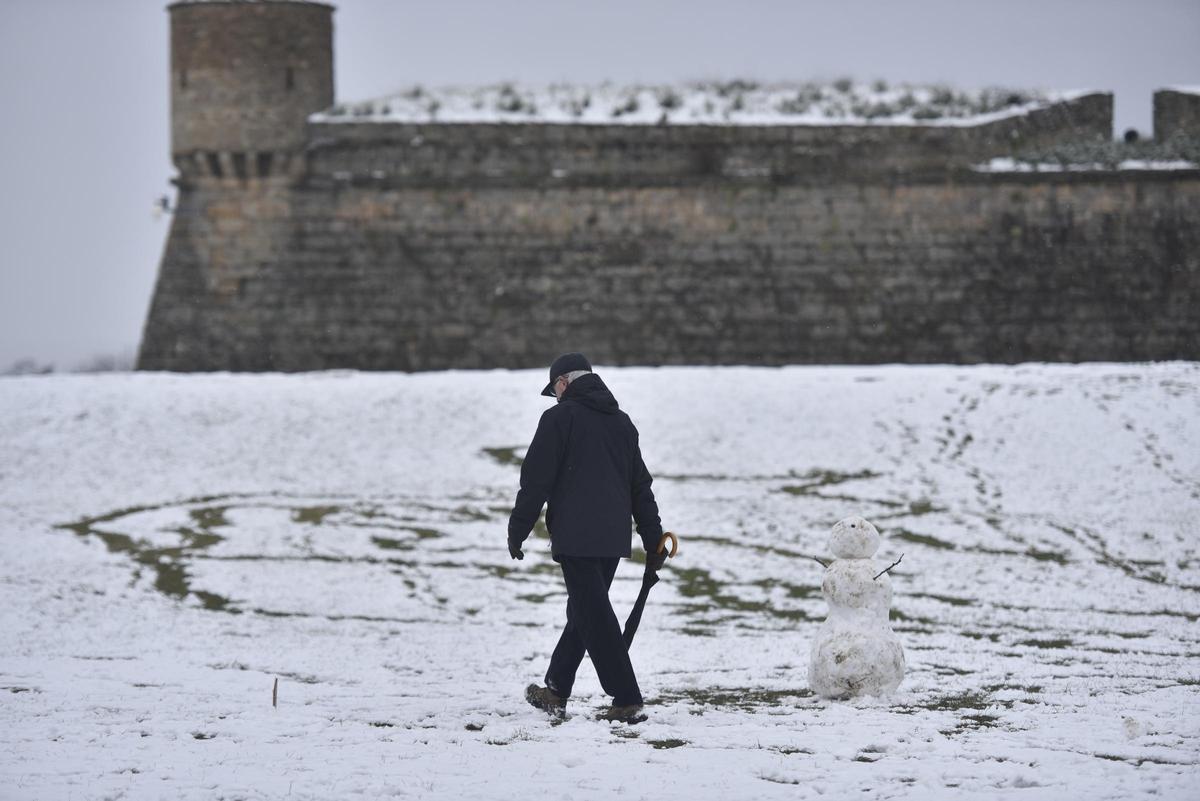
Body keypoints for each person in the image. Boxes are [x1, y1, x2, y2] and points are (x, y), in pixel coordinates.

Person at [507, 352, 666, 723]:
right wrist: (652, 536)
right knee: (583, 613)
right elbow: (640, 487)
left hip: (576, 538)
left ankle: (626, 697)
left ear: (563, 382)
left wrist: (518, 529)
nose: (556, 397)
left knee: (594, 616)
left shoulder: (559, 419)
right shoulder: (622, 424)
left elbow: (535, 481)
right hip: (611, 539)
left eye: (555, 390)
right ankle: (556, 690)